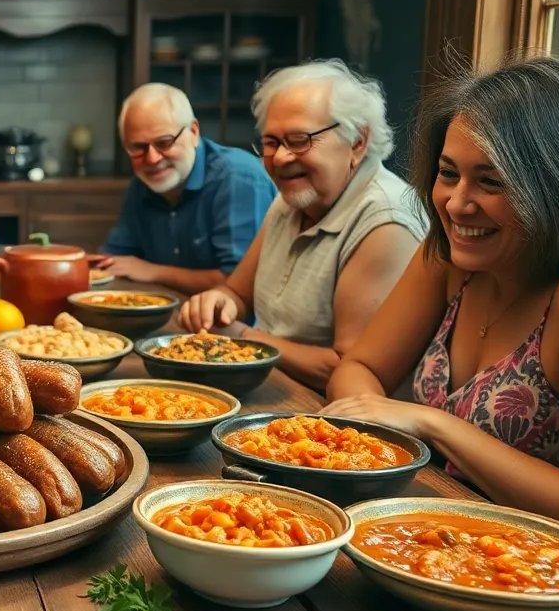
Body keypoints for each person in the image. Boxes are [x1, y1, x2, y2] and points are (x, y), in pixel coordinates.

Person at [325, 57, 559, 521]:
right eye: (449, 173)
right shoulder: (448, 257)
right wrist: (364, 428)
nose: (456, 204)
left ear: (554, 188)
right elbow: (358, 366)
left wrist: (433, 424)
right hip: (422, 527)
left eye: (491, 182)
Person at [178, 59, 426, 390]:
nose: (280, 158)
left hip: (331, 421)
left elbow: (348, 367)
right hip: (268, 389)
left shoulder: (387, 222)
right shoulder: (292, 198)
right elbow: (236, 293)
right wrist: (216, 303)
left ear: (357, 142)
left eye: (299, 140)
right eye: (271, 142)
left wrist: (241, 337)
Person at [99, 83, 277, 295]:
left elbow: (239, 283)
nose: (152, 159)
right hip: (170, 315)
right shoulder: (142, 184)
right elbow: (113, 262)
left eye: (164, 142)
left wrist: (153, 272)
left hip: (237, 323)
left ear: (193, 132)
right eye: (138, 147)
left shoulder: (238, 178)